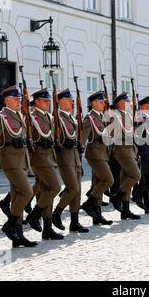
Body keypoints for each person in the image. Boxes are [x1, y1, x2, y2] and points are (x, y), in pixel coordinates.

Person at [0, 85, 37, 248]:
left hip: (22, 160)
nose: (19, 102)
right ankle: (10, 224)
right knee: (27, 192)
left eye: (20, 99)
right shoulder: (1, 117)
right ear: (7, 100)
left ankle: (18, 236)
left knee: (18, 196)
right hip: (10, 161)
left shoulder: (20, 116)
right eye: (16, 99)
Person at [26, 89, 63, 240]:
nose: (48, 103)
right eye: (45, 101)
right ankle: (34, 214)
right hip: (39, 158)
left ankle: (47, 229)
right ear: (37, 102)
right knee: (55, 187)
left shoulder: (48, 116)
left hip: (50, 157)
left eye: (49, 101)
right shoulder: (32, 117)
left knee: (48, 191)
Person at [51, 89, 89, 233]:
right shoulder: (57, 117)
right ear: (59, 101)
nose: (71, 102)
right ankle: (57, 213)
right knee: (72, 187)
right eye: (68, 100)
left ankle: (74, 222)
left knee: (77, 191)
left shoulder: (72, 118)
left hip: (75, 156)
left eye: (72, 100)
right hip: (64, 156)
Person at [81, 91, 114, 225]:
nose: (103, 104)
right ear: (93, 103)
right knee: (108, 180)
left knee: (98, 183)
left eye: (104, 102)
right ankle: (89, 203)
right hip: (94, 154)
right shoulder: (89, 118)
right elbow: (83, 138)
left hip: (103, 153)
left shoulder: (101, 116)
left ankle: (97, 215)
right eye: (101, 102)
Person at [108, 92, 141, 219]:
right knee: (135, 175)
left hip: (130, 149)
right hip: (122, 149)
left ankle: (125, 210)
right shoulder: (116, 116)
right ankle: (117, 197)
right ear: (121, 103)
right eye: (127, 102)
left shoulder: (126, 115)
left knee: (127, 177)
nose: (130, 104)